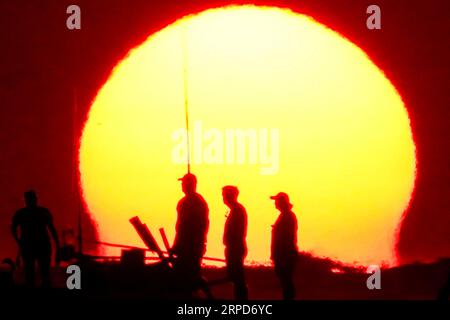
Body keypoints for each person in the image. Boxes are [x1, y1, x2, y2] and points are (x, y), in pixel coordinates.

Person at [171, 173, 211, 297]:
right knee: (191, 278)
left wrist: (177, 246)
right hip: (190, 246)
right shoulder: (187, 202)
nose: (182, 185)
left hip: (190, 247)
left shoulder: (193, 202)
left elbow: (186, 228)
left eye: (184, 183)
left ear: (191, 184)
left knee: (189, 279)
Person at [11, 190, 60, 288]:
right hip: (40, 245)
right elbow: (52, 229)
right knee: (41, 273)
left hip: (31, 245)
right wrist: (57, 245)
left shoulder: (22, 213)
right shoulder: (42, 212)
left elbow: (13, 228)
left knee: (33, 274)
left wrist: (19, 241)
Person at [270, 192, 298, 300]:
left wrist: (281, 257)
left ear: (282, 202)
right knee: (285, 282)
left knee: (286, 282)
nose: (275, 203)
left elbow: (285, 238)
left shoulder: (288, 216)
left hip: (285, 255)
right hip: (283, 255)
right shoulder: (285, 215)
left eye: (277, 201)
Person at [222, 185, 248, 300]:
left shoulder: (237, 210)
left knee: (238, 278)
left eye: (224, 195)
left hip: (235, 248)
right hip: (233, 247)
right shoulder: (235, 210)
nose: (223, 198)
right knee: (235, 278)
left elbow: (237, 232)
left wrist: (231, 246)